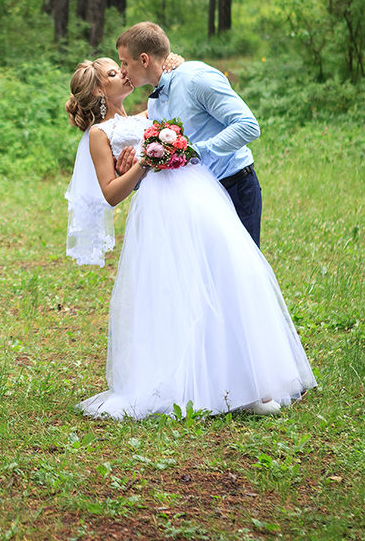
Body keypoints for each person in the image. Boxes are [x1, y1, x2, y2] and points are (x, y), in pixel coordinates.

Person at [64, 58, 315, 421]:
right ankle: (189, 381)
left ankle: (245, 381)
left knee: (227, 273)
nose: (124, 73)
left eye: (123, 66)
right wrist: (142, 164)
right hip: (159, 214)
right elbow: (112, 193)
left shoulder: (147, 110)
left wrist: (171, 66)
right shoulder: (100, 136)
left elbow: (164, 83)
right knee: (177, 291)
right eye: (115, 72)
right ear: (100, 90)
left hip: (198, 197)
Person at [116, 22, 263, 246]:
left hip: (234, 186)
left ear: (144, 59)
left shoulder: (196, 79)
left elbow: (248, 125)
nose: (122, 70)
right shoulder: (154, 104)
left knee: (240, 275)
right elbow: (169, 158)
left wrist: (195, 152)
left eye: (125, 62)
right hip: (196, 198)